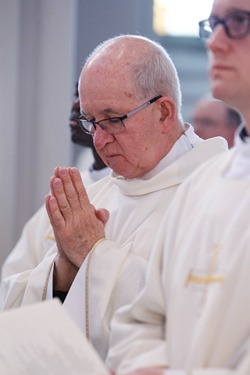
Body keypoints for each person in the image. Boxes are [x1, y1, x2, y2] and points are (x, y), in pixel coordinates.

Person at [0, 35, 227, 362]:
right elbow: (16, 313)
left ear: (164, 113)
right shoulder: (98, 194)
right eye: (90, 122)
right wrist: (63, 271)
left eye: (114, 119)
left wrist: (93, 253)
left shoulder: (218, 195)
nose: (100, 140)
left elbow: (202, 318)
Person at [106, 1, 250, 374]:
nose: (215, 42)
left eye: (238, 22)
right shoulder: (201, 185)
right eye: (214, 24)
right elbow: (140, 319)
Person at [1, 86, 109, 280]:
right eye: (77, 95)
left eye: (87, 96)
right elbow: (16, 271)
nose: (76, 105)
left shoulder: (131, 185)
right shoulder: (74, 184)